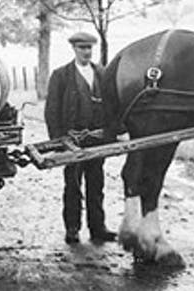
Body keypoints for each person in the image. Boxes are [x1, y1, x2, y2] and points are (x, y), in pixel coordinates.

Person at [44, 31, 117, 244]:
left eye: (89, 48)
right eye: (81, 48)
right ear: (74, 49)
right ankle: (72, 228)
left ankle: (98, 228)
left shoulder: (102, 74)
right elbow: (52, 110)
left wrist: (110, 132)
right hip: (72, 140)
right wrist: (59, 140)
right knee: (73, 185)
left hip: (96, 139)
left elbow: (112, 106)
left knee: (96, 185)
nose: (86, 52)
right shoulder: (61, 75)